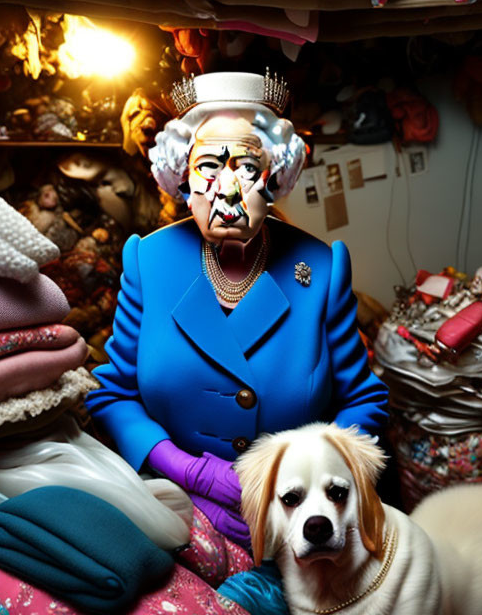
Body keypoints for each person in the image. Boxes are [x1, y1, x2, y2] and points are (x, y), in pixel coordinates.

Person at [85, 70, 389, 549]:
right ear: (182, 178)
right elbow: (113, 394)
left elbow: (364, 401)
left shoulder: (322, 268)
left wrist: (301, 486)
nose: (226, 190)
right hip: (174, 507)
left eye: (246, 168)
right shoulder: (148, 259)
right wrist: (189, 474)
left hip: (297, 524)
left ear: (275, 177)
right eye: (208, 167)